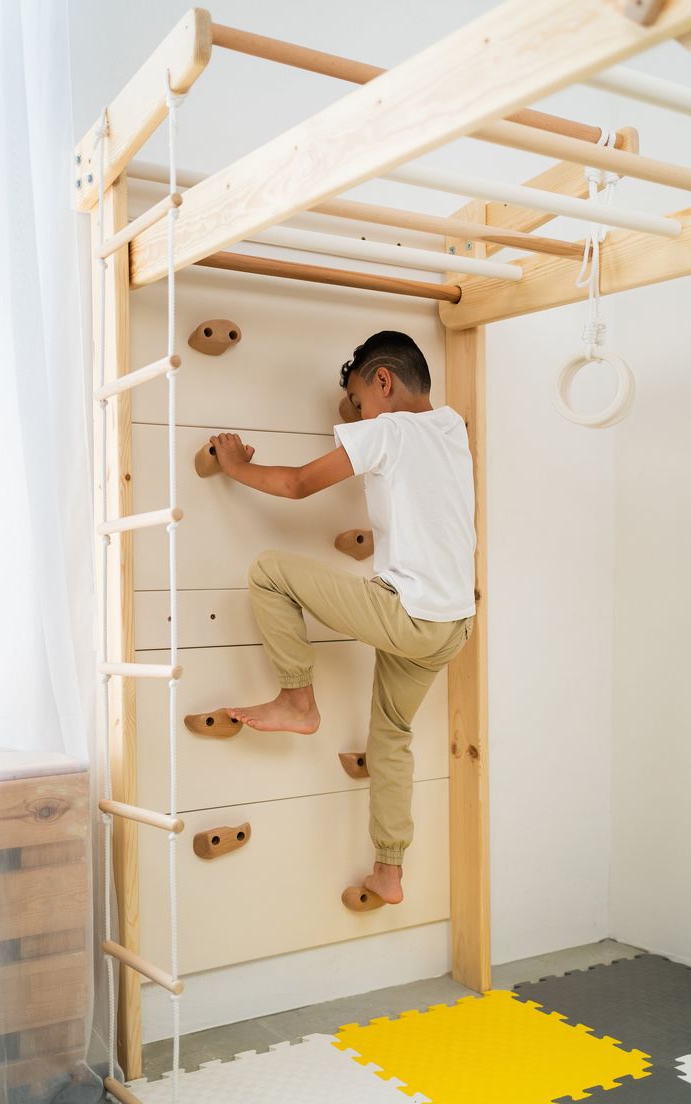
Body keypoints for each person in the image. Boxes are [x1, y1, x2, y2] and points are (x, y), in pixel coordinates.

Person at [209, 330, 476, 908]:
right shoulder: (451, 427)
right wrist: (357, 401)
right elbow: (372, 415)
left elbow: (298, 484)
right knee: (392, 738)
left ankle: (296, 700)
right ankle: (388, 871)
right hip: (453, 624)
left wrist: (233, 466)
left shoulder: (387, 431)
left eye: (358, 401)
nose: (355, 415)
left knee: (269, 571)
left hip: (407, 614)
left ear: (383, 381)